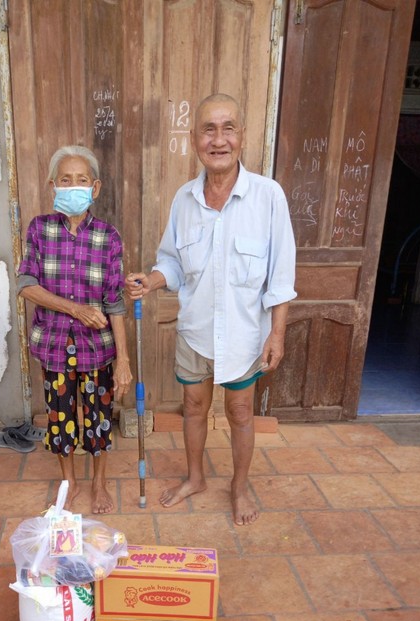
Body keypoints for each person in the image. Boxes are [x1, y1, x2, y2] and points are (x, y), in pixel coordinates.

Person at [126, 94, 296, 526]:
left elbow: (281, 276)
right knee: (193, 406)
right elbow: (171, 262)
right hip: (196, 331)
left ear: (242, 136)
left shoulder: (268, 197)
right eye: (208, 130)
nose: (218, 140)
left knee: (240, 413)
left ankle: (239, 487)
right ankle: (196, 477)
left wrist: (277, 334)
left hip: (244, 334)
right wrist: (151, 281)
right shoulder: (184, 200)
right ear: (194, 139)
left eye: (228, 128)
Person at [18, 145, 132, 515]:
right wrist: (76, 309)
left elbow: (115, 302)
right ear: (53, 186)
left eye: (81, 180)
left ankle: (99, 481)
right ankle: (69, 481)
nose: (73, 186)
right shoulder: (39, 229)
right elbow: (26, 285)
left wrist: (124, 360)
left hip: (97, 348)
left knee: (99, 416)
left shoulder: (108, 237)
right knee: (60, 416)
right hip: (53, 345)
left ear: (94, 188)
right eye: (65, 180)